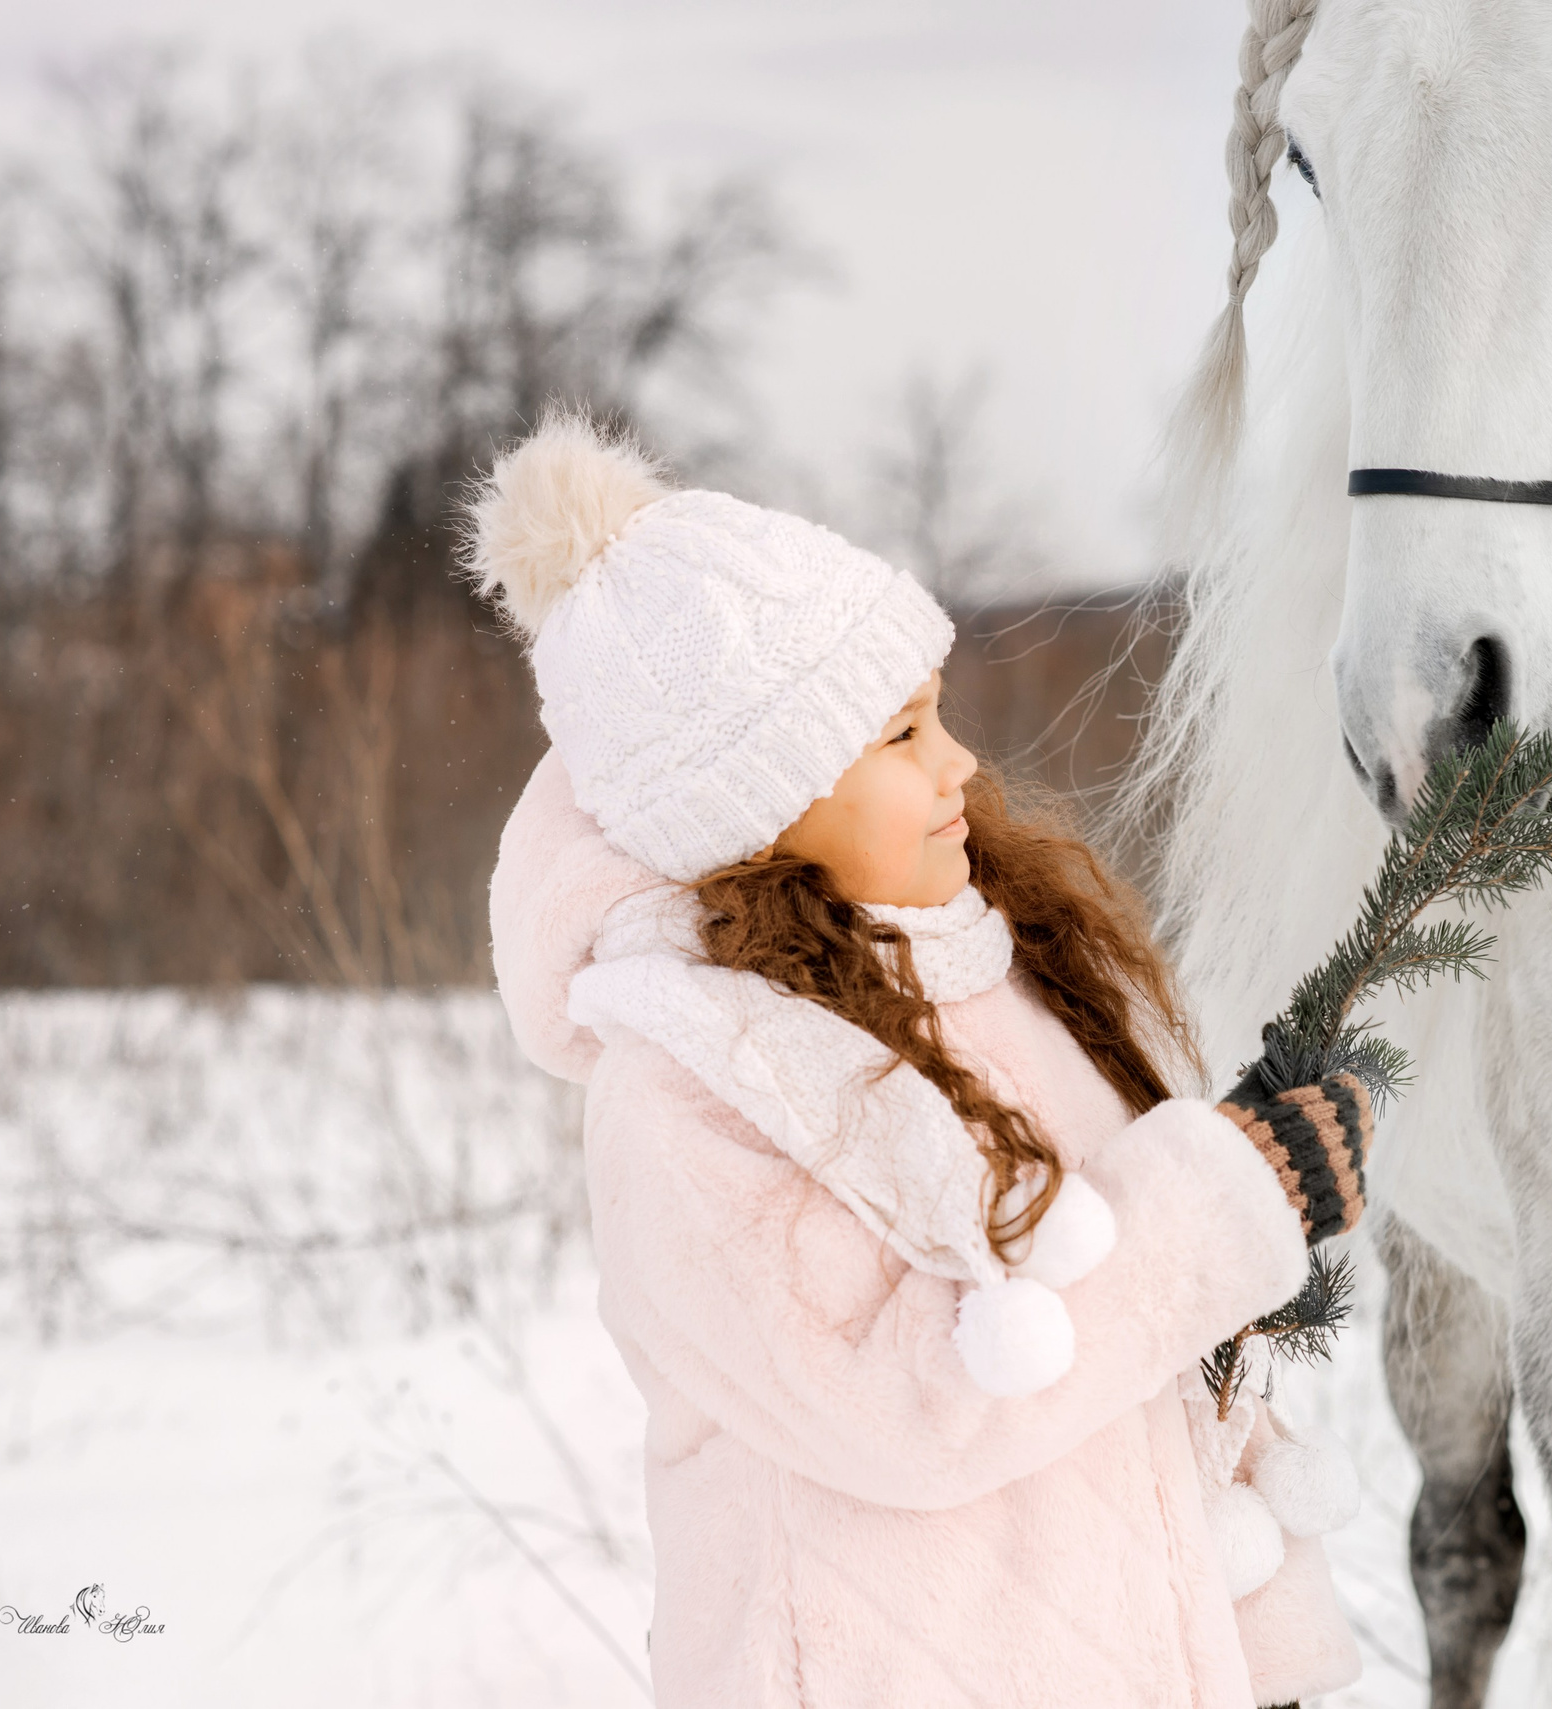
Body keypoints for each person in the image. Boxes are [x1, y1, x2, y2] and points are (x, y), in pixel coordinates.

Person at [469, 410, 1370, 1708]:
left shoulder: (1004, 967)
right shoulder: (681, 1094)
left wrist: (1266, 1667)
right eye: (899, 736)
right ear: (758, 808)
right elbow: (911, 1400)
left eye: (936, 715)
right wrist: (1218, 1205)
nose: (958, 766)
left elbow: (1159, 1387)